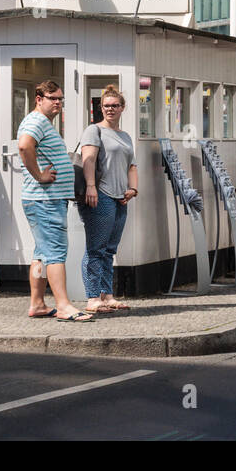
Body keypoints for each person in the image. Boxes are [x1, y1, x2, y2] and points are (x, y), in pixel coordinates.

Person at [17, 79, 90, 322]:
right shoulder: (37, 120)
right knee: (56, 252)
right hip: (45, 199)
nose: (58, 103)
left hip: (44, 199)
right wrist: (39, 175)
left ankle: (37, 304)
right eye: (53, 98)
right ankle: (64, 306)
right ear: (39, 99)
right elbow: (24, 146)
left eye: (60, 99)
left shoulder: (41, 122)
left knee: (41, 254)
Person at [79, 84, 137, 315]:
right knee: (96, 248)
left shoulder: (125, 136)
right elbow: (89, 160)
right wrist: (91, 187)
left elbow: (132, 165)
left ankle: (107, 295)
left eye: (115, 105)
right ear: (100, 108)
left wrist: (133, 189)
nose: (110, 109)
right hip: (100, 194)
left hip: (120, 197)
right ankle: (93, 297)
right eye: (106, 106)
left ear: (123, 108)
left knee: (109, 249)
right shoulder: (94, 131)